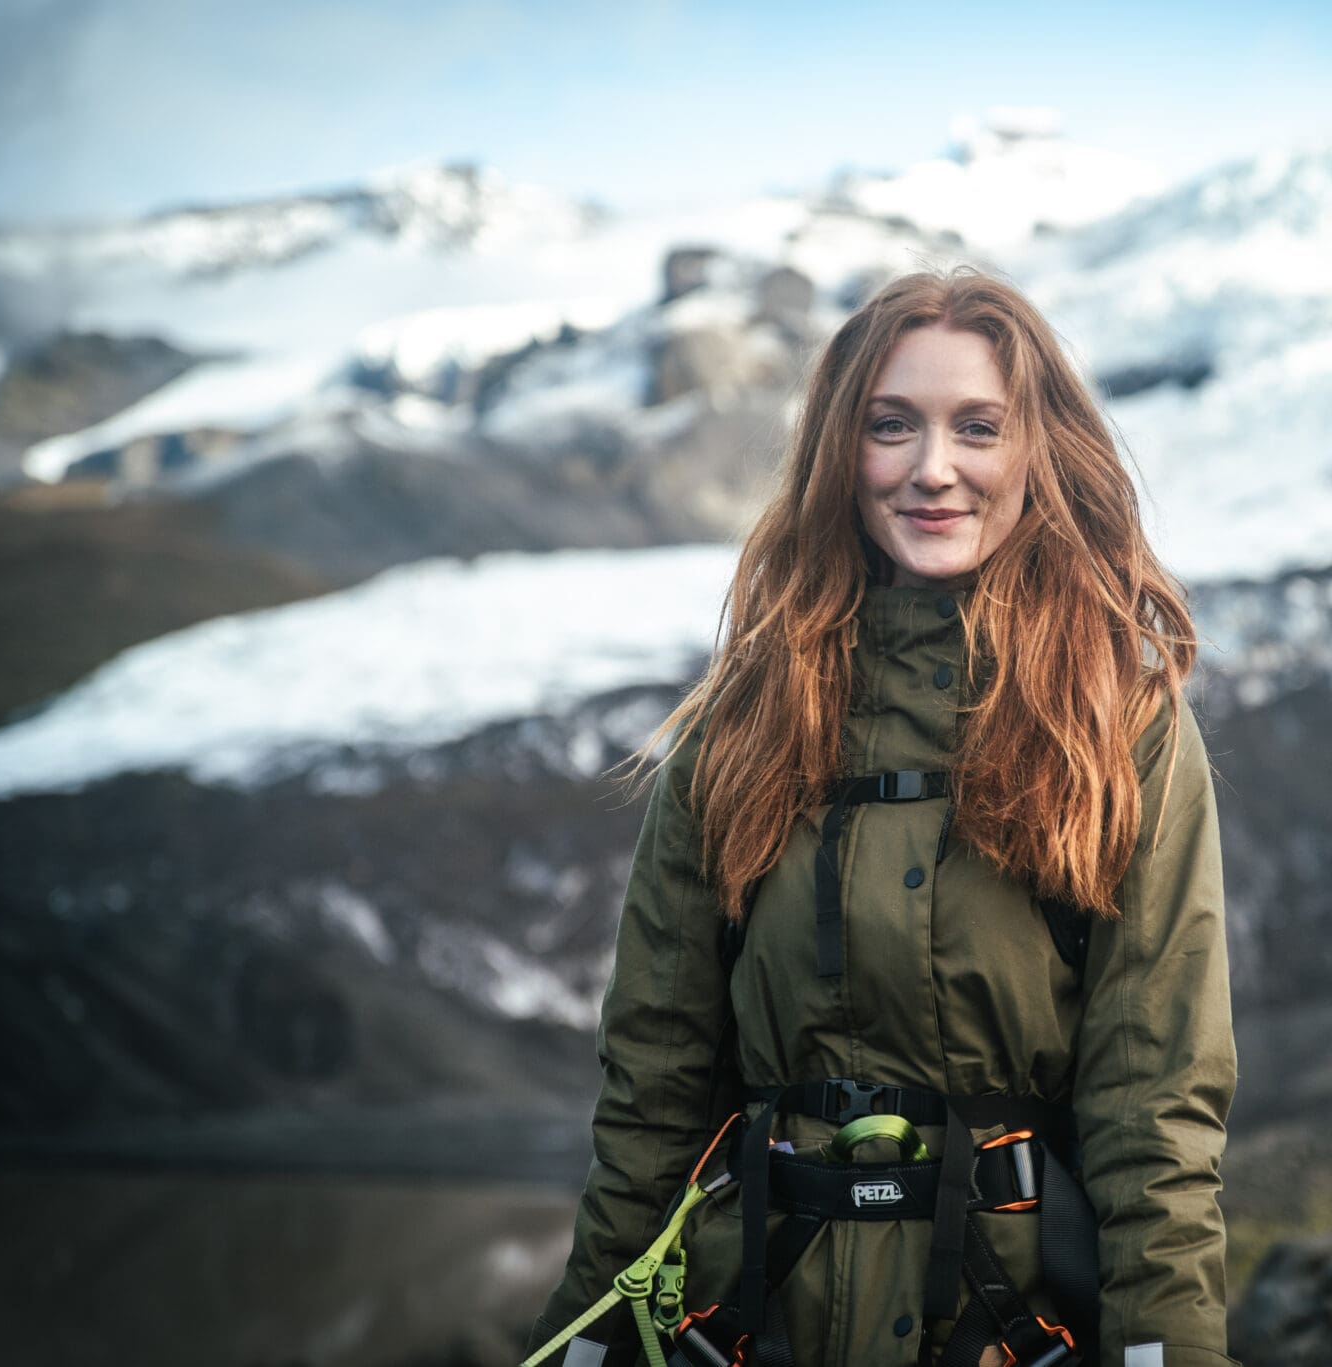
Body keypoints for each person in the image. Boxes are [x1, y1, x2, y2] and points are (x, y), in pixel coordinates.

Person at [525, 265, 1238, 1367]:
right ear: (838, 452)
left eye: (978, 427)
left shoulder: (1116, 724)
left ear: (1037, 451)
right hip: (754, 1323)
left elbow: (1156, 1109)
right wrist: (585, 1339)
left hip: (1005, 1330)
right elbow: (654, 1098)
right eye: (890, 424)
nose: (931, 468)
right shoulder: (741, 728)